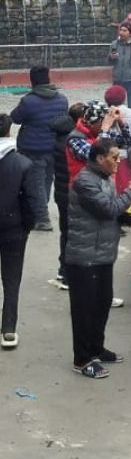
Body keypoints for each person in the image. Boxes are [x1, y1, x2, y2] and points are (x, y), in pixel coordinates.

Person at [66, 140, 131, 377]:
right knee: (84, 310)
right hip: (84, 258)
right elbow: (109, 209)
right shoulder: (84, 182)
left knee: (102, 304)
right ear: (100, 158)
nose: (118, 161)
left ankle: (96, 348)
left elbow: (112, 214)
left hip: (103, 254)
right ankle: (82, 360)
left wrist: (129, 217)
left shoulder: (105, 178)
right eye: (114, 157)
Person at [9, 65, 68, 230]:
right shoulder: (62, 99)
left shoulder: (29, 101)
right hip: (54, 147)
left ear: (32, 81)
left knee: (36, 184)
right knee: (47, 181)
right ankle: (41, 210)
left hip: (33, 149)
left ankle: (42, 219)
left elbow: (15, 118)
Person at [0, 113, 33, 348]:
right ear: (9, 132)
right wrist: (26, 226)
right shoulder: (22, 163)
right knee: (12, 280)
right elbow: (31, 201)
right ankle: (9, 329)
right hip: (14, 229)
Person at [48, 102, 81, 289]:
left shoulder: (61, 137)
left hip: (61, 193)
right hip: (71, 193)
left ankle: (63, 270)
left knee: (65, 232)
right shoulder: (73, 142)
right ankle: (69, 274)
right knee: (72, 234)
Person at [103, 84, 131, 195]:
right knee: (128, 188)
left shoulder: (103, 113)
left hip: (108, 156)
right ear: (124, 98)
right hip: (128, 156)